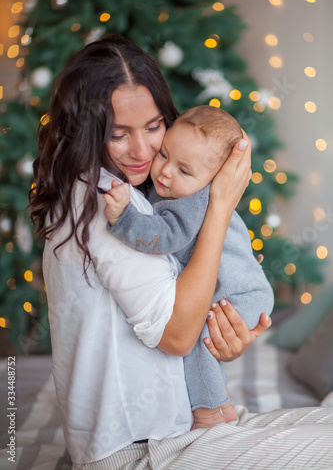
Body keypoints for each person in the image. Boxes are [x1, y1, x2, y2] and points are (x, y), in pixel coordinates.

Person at [29, 35, 333, 470]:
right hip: (142, 449)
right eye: (118, 135)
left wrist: (220, 332)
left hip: (176, 427)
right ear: (86, 131)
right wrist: (221, 205)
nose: (142, 151)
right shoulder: (105, 199)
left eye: (154, 128)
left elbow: (191, 309)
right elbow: (177, 335)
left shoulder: (136, 193)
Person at [103, 105, 274, 430]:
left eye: (184, 171)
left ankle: (210, 409)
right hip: (234, 291)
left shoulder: (195, 202)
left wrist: (124, 218)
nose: (165, 172)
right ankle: (221, 405)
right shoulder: (178, 190)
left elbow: (165, 237)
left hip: (244, 295)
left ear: (214, 179)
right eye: (165, 155)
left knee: (197, 336)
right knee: (201, 336)